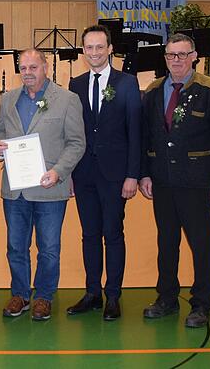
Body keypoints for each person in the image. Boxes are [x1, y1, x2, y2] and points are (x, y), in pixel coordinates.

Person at [139, 33, 210, 328]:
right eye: (171, 55)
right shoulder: (154, 91)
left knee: (202, 245)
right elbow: (146, 137)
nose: (177, 60)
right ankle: (167, 298)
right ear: (165, 58)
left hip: (198, 183)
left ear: (195, 56)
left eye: (183, 54)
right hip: (163, 183)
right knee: (166, 243)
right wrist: (145, 173)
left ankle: (201, 304)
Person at [0, 48, 85, 321]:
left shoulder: (67, 99)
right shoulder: (8, 99)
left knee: (49, 248)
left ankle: (44, 296)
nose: (28, 73)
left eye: (34, 67)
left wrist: (59, 171)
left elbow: (77, 142)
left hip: (49, 188)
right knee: (16, 246)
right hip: (15, 188)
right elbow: (0, 132)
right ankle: (20, 294)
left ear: (46, 67)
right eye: (23, 68)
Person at [67, 25, 141, 321]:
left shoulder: (127, 83)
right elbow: (72, 132)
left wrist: (133, 174)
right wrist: (70, 171)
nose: (94, 53)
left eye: (100, 47)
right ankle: (92, 293)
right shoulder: (76, 84)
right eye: (89, 48)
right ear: (83, 51)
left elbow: (136, 131)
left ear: (110, 49)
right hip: (84, 173)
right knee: (89, 234)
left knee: (113, 233)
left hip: (115, 174)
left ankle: (113, 295)